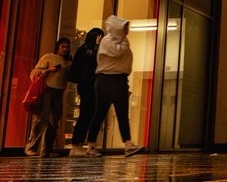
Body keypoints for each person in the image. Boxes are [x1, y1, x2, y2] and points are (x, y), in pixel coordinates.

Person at [79, 15, 143, 156]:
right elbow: (118, 52)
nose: (127, 30)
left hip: (119, 79)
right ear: (117, 27)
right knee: (100, 113)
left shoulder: (122, 41)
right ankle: (91, 146)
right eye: (124, 27)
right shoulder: (107, 41)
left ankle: (128, 144)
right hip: (106, 79)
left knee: (121, 113)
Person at [25, 37, 70, 157]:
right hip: (47, 91)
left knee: (53, 122)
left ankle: (47, 150)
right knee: (41, 119)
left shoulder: (67, 61)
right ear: (58, 47)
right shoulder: (48, 57)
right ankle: (31, 147)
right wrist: (48, 70)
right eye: (63, 46)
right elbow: (34, 72)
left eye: (67, 47)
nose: (65, 49)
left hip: (59, 92)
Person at [68, 27, 103, 157]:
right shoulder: (86, 49)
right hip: (87, 86)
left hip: (91, 86)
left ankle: (82, 145)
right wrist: (97, 46)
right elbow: (93, 60)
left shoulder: (88, 49)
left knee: (89, 115)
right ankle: (76, 145)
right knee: (85, 115)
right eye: (99, 38)